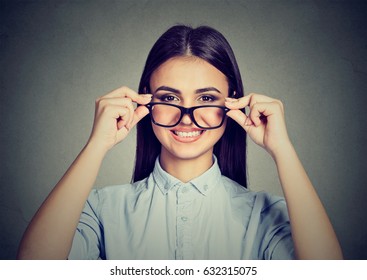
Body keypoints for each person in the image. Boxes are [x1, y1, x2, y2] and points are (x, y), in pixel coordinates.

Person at [17, 25, 343, 260]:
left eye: (206, 98)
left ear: (230, 105)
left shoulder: (265, 215)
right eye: (170, 97)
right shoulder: (101, 209)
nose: (186, 118)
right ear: (146, 102)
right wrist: (96, 145)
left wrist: (282, 150)